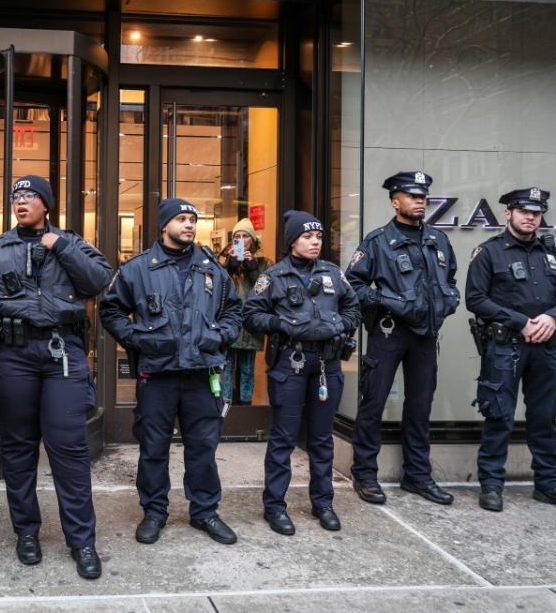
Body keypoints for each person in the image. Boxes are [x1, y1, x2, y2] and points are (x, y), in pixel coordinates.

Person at [0, 175, 112, 580]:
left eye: (29, 196)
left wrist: (59, 246)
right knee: (18, 449)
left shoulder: (71, 242)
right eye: (16, 197)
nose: (21, 202)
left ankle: (82, 541)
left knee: (70, 450)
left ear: (46, 203)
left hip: (62, 354)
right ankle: (26, 532)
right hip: (12, 356)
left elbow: (99, 281)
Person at [100, 198, 242, 547]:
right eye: (181, 219)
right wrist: (136, 339)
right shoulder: (137, 269)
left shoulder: (212, 268)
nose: (189, 225)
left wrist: (219, 336)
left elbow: (235, 311)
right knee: (153, 448)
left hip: (201, 374)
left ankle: (205, 511)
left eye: (193, 219)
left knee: (203, 448)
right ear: (164, 225)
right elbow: (111, 310)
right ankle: (154, 512)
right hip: (157, 375)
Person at [465, 187, 556, 515]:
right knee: (499, 416)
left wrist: (553, 316)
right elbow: (475, 299)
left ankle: (549, 485)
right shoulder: (489, 252)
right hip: (506, 348)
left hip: (547, 350)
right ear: (508, 213)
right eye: (524, 211)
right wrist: (521, 322)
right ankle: (491, 484)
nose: (530, 217)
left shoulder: (552, 253)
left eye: (536, 213)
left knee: (545, 417)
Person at [345, 171, 460, 506]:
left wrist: (449, 300)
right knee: (373, 405)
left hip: (425, 336)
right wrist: (385, 302)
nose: (420, 201)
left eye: (423, 196)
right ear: (395, 202)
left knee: (420, 408)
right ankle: (365, 475)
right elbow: (354, 285)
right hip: (389, 333)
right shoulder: (378, 241)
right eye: (412, 196)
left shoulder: (438, 240)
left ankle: (417, 476)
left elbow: (449, 278)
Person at [243, 211, 361, 532]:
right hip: (291, 365)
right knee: (283, 438)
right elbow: (251, 314)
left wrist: (337, 324)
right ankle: (275, 506)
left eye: (319, 237)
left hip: (327, 364)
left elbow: (353, 307)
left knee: (322, 439)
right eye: (308, 237)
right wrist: (282, 324)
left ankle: (323, 503)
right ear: (292, 240)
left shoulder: (333, 273)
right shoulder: (274, 276)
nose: (315, 242)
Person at [220, 218, 269, 405]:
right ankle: (225, 403)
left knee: (247, 366)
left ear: (253, 240)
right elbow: (218, 288)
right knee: (227, 365)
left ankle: (246, 403)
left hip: (250, 321)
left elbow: (266, 290)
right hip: (229, 319)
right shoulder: (224, 260)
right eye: (236, 237)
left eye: (245, 236)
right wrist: (228, 267)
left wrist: (253, 269)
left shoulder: (264, 262)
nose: (240, 240)